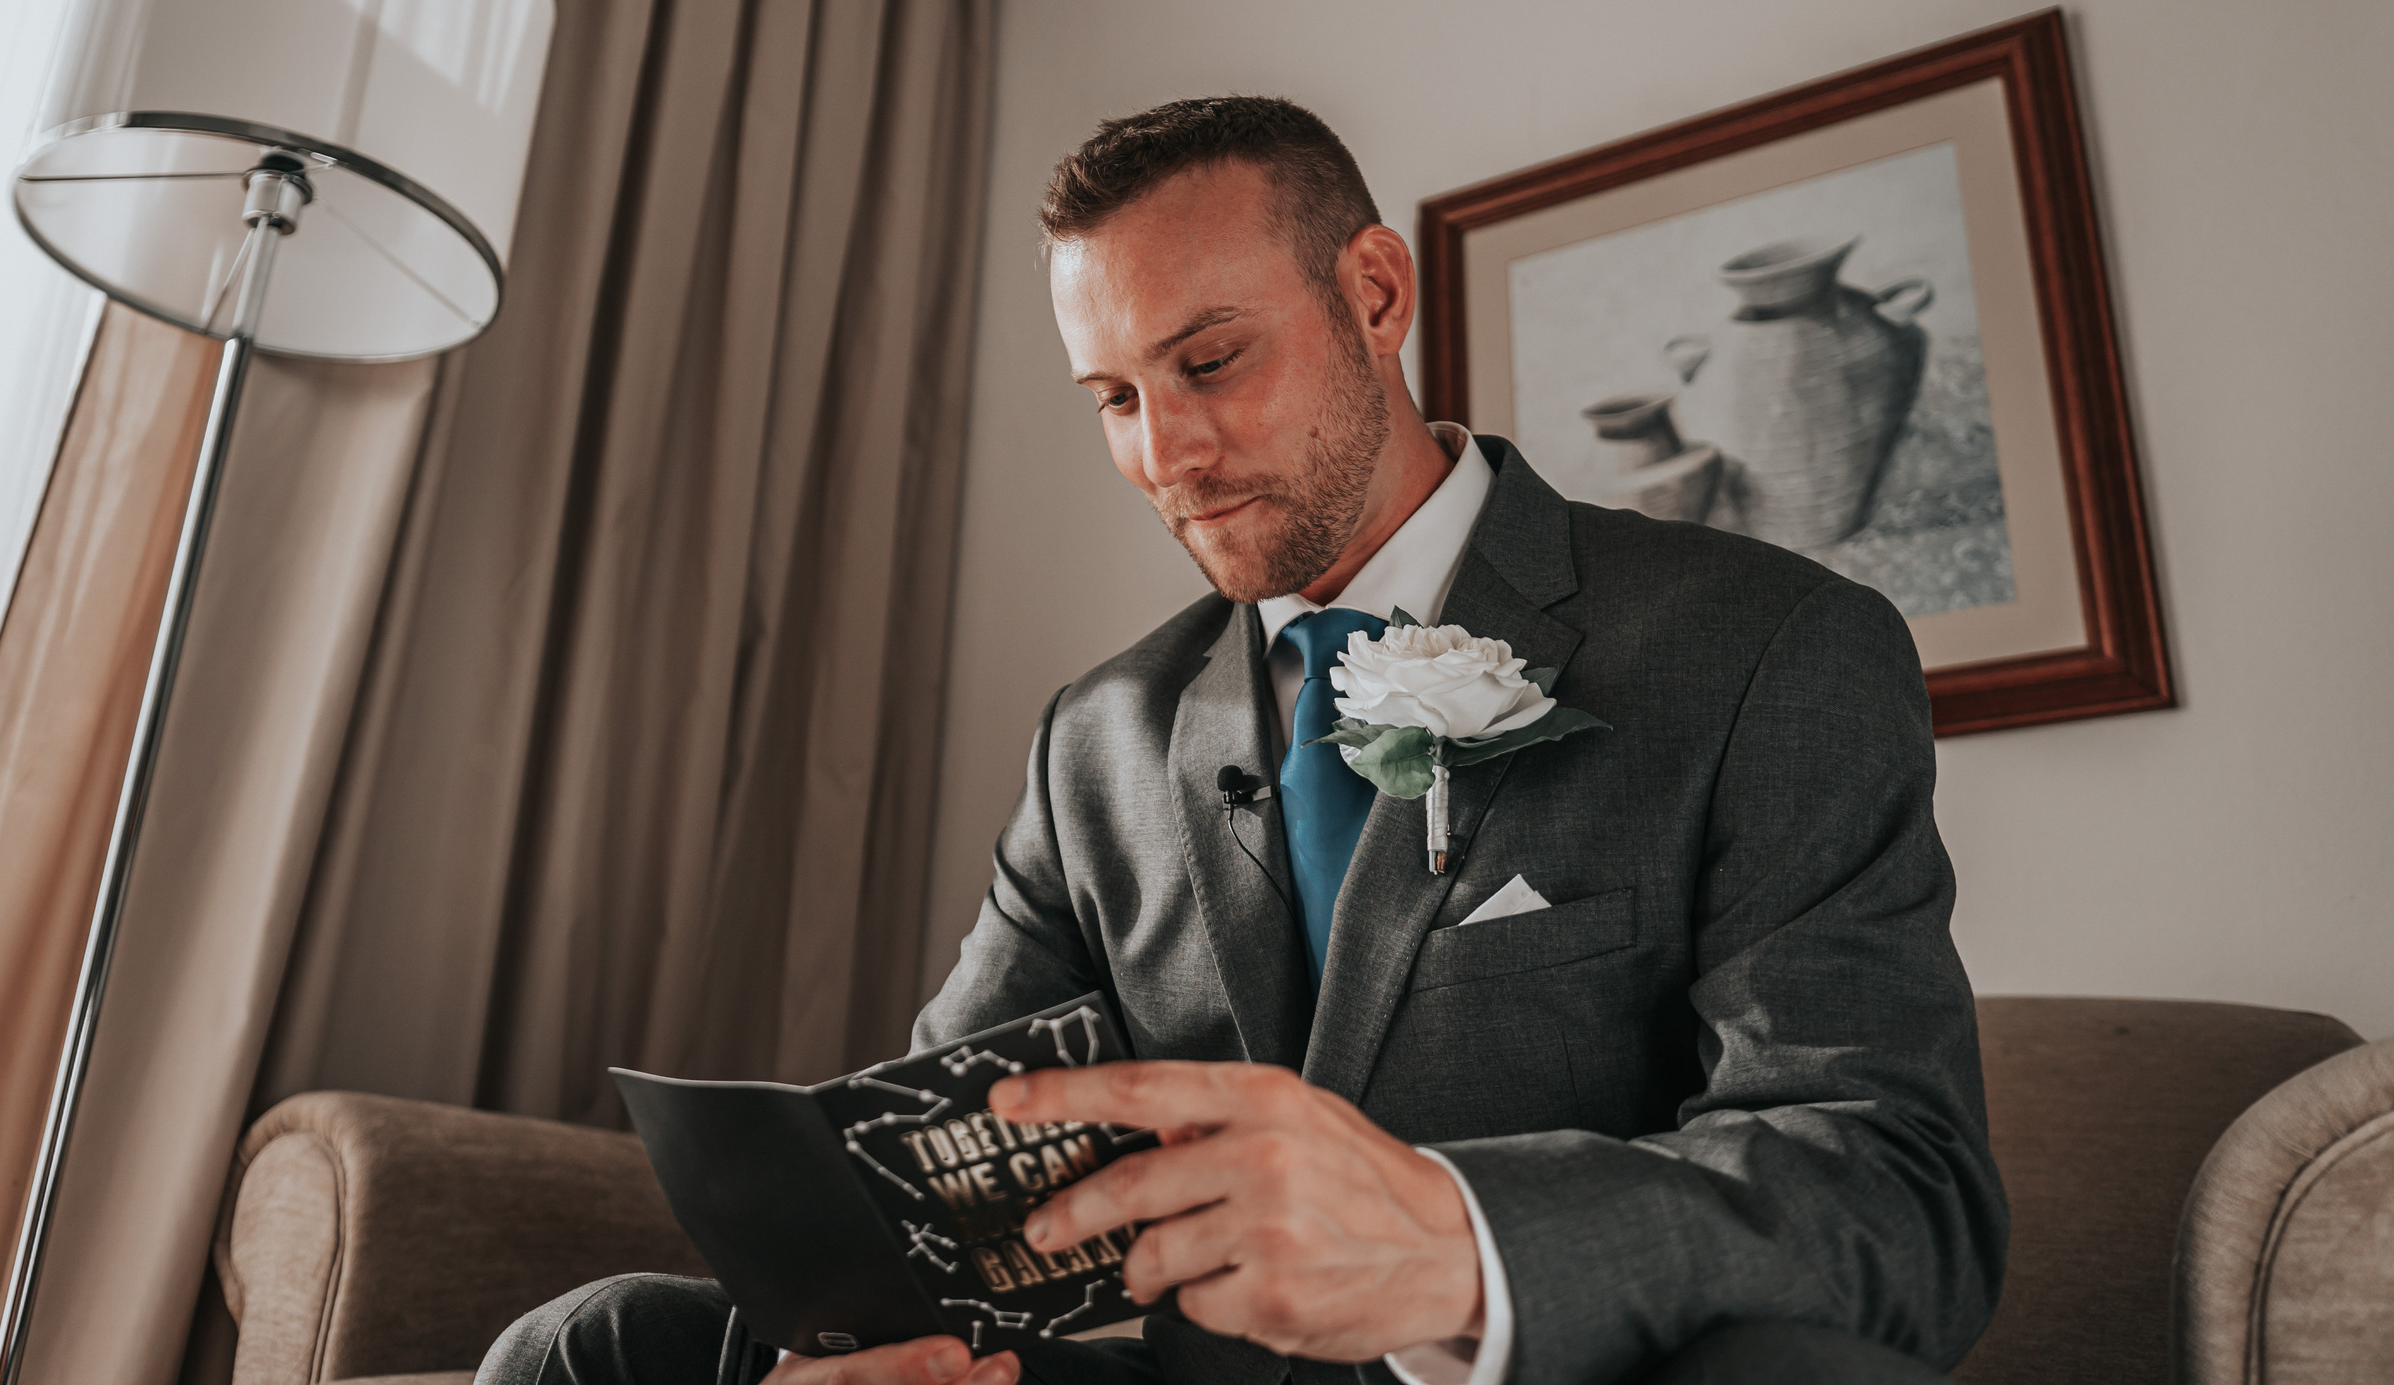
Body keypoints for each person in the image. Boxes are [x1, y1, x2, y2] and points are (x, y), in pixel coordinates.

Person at [477, 97, 2007, 1385]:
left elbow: (1895, 1194)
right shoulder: (1098, 740)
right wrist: (872, 1327)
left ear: (1378, 294)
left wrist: (1449, 1235)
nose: (1170, 454)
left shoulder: (1772, 645)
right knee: (594, 1344)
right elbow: (940, 1163)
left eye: (1209, 362)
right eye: (1117, 398)